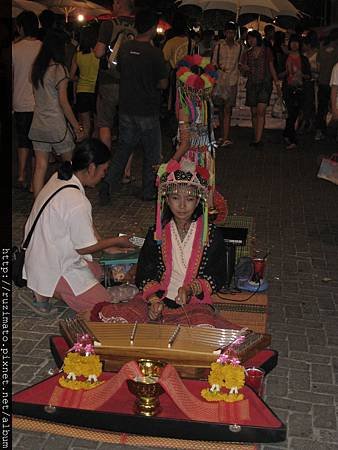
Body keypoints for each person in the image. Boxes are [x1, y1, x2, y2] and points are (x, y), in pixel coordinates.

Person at [89, 159, 237, 330]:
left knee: (201, 326)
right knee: (123, 318)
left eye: (189, 199)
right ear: (166, 200)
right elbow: (145, 272)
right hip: (157, 297)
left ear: (198, 201)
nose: (182, 205)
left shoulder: (211, 234)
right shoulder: (156, 233)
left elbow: (217, 275)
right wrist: (153, 301)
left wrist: (190, 289)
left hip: (194, 302)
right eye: (175, 198)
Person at [19, 138, 136, 317]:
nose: (104, 174)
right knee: (104, 307)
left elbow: (83, 226)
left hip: (42, 256)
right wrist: (116, 241)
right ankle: (46, 292)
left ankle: (47, 289)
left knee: (97, 271)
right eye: (103, 170)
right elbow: (83, 248)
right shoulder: (77, 201)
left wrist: (108, 246)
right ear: (91, 168)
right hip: (54, 266)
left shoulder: (61, 176)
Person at [99, 8, 168, 205]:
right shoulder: (155, 53)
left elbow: (119, 71)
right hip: (147, 109)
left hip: (127, 108)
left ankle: (107, 183)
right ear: (153, 28)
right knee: (152, 152)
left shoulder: (126, 48)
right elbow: (163, 83)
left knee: (124, 149)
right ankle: (148, 190)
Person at [29, 30, 84, 197]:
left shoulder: (37, 69)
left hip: (38, 123)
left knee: (40, 167)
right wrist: (77, 127)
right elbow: (64, 103)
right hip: (56, 125)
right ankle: (70, 199)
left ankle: (38, 206)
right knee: (70, 165)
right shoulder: (59, 70)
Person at [171, 53, 223, 214]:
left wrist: (170, 164)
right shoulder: (207, 103)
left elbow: (185, 143)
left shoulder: (185, 109)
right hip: (207, 156)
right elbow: (215, 125)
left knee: (189, 201)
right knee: (204, 200)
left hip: (191, 160)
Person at [94, 0, 135, 150]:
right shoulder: (140, 26)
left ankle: (105, 163)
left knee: (105, 123)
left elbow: (98, 52)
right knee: (129, 125)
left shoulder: (108, 24)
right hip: (132, 83)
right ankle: (127, 167)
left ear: (119, 4)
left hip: (109, 80)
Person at [12, 11, 41, 192]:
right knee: (38, 143)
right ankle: (34, 181)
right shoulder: (42, 47)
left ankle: (22, 174)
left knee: (22, 140)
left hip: (20, 101)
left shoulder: (14, 49)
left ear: (21, 27)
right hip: (38, 103)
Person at [239, 30, 281, 148]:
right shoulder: (247, 53)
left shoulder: (266, 51)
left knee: (261, 111)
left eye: (252, 38)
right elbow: (243, 72)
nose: (250, 41)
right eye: (249, 39)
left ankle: (258, 139)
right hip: (252, 84)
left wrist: (277, 83)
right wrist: (244, 69)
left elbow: (271, 67)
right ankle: (256, 134)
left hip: (265, 83)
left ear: (258, 38)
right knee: (253, 112)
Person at [211, 21, 242, 147]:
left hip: (232, 80)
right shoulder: (219, 46)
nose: (230, 35)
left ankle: (225, 137)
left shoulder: (239, 47)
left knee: (228, 109)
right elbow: (213, 63)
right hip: (220, 80)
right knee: (221, 108)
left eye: (233, 33)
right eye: (228, 32)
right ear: (225, 33)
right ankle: (222, 135)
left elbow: (239, 63)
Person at [282, 34, 311, 150]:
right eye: (292, 42)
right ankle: (293, 139)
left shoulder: (303, 59)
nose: (294, 44)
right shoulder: (285, 57)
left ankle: (286, 134)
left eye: (296, 42)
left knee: (294, 113)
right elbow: (279, 74)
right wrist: (287, 72)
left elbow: (308, 75)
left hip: (299, 89)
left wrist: (301, 74)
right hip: (288, 88)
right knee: (291, 113)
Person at [70, 26, 99, 139]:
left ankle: (86, 147)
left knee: (86, 124)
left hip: (81, 91)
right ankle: (95, 149)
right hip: (96, 92)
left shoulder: (78, 55)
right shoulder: (99, 56)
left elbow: (71, 76)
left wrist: (81, 78)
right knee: (98, 125)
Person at [315, 28, 338, 141]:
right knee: (335, 107)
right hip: (334, 84)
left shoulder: (322, 49)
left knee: (322, 108)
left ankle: (320, 131)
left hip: (323, 82)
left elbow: (318, 67)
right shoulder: (337, 50)